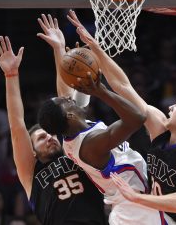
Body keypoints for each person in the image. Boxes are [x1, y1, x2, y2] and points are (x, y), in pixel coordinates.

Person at [67, 10, 176, 224]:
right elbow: (125, 87)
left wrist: (137, 197)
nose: (171, 107)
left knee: (122, 212)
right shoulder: (159, 126)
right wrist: (96, 49)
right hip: (154, 216)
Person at [37, 16, 165, 225]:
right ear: (69, 114)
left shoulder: (70, 131)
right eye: (65, 102)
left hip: (136, 203)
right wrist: (102, 92)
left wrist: (60, 49)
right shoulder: (91, 144)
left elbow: (66, 92)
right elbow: (136, 118)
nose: (68, 98)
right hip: (135, 211)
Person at [0, 32, 107, 225]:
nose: (48, 138)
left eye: (49, 134)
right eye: (40, 139)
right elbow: (17, 126)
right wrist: (11, 75)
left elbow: (66, 103)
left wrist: (59, 50)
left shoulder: (74, 151)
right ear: (33, 153)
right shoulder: (31, 175)